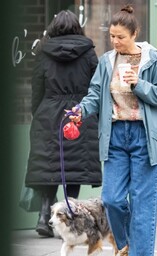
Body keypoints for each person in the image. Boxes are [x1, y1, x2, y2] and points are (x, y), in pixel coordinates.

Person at [69, 5, 157, 256]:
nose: (115, 42)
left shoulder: (153, 60)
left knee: (141, 202)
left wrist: (139, 84)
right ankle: (126, 244)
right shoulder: (107, 61)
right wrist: (81, 110)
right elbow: (95, 94)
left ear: (134, 34)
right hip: (116, 135)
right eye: (112, 37)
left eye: (120, 37)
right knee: (112, 199)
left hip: (144, 137)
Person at [25, 10, 102, 238]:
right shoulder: (89, 54)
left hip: (48, 113)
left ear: (54, 28)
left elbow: (36, 89)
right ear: (77, 28)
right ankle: (67, 220)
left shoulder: (43, 53)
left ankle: (42, 216)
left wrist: (38, 113)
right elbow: (95, 86)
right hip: (79, 114)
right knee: (74, 169)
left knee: (48, 168)